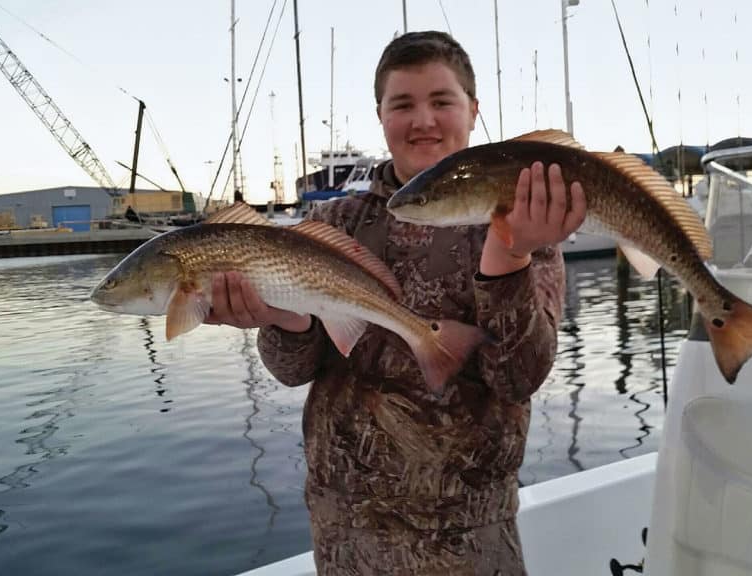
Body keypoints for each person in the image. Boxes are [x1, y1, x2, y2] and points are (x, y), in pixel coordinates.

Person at [206, 31, 586, 575]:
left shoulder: (526, 221)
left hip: (468, 529)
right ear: (380, 115)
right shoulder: (332, 225)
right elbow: (293, 370)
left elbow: (519, 378)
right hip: (346, 525)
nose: (423, 120)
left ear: (473, 110)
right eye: (402, 104)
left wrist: (511, 253)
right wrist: (278, 316)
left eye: (441, 101)